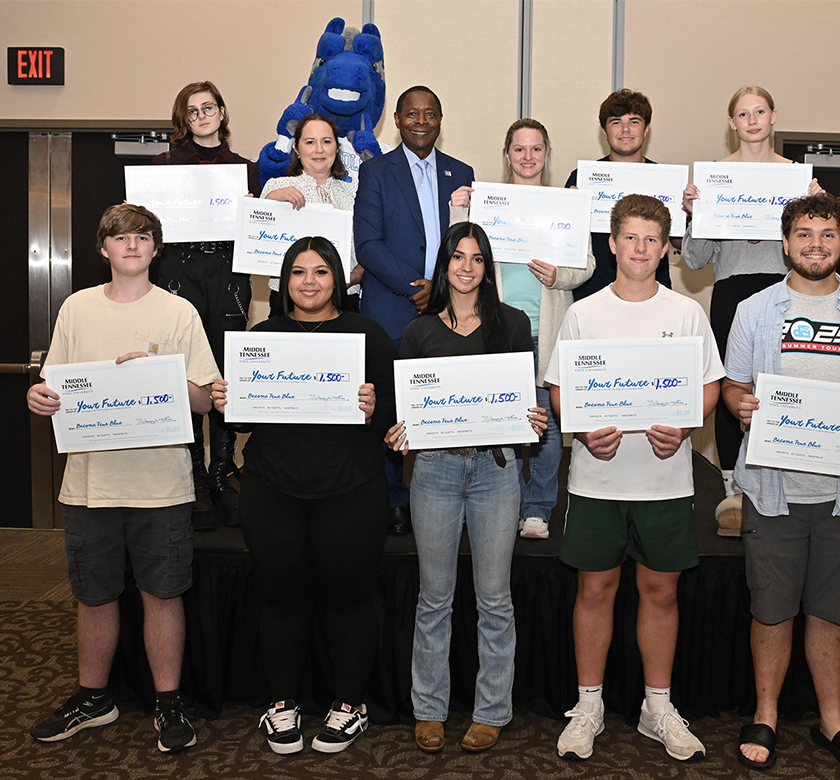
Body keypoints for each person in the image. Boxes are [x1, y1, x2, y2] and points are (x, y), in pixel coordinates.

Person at [26, 204, 219, 753]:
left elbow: (206, 401)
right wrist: (39, 396)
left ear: (156, 249)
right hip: (90, 483)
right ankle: (94, 697)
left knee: (163, 594)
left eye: (142, 237)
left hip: (160, 483)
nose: (131, 245)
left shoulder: (179, 312)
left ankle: (169, 702)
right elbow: (52, 386)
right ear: (103, 248)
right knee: (94, 596)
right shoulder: (76, 308)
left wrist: (161, 378)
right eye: (120, 237)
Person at [722, 193, 840, 772]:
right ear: (786, 242)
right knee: (771, 609)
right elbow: (732, 384)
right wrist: (741, 404)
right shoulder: (753, 310)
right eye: (804, 234)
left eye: (826, 235)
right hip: (773, 489)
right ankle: (767, 713)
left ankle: (831, 718)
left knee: (830, 610)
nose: (815, 245)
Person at [547, 194, 724, 763]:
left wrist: (686, 424)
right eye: (631, 238)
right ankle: (589, 705)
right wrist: (580, 427)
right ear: (612, 244)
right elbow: (559, 387)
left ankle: (658, 705)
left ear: (666, 248)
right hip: (597, 481)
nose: (641, 249)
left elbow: (710, 384)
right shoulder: (584, 313)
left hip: (665, 481)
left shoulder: (686, 313)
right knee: (594, 590)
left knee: (661, 591)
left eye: (652, 240)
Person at [210, 237, 396, 755]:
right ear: (283, 281)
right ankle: (283, 702)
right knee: (281, 598)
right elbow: (245, 418)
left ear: (337, 277)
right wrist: (228, 401)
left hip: (352, 490)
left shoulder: (368, 333)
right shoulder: (263, 336)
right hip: (273, 490)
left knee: (349, 598)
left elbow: (397, 416)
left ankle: (349, 704)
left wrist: (375, 404)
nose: (309, 282)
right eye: (297, 272)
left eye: (319, 271)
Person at [385, 222, 548, 754]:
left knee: (494, 598)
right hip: (433, 472)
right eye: (458, 256)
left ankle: (492, 709)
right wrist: (400, 431)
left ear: (487, 267)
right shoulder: (419, 332)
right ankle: (429, 708)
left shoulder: (514, 324)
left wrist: (534, 420)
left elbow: (524, 402)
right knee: (434, 597)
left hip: (496, 474)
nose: (467, 266)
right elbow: (406, 410)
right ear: (444, 263)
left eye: (477, 258)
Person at [680, 86, 824, 534]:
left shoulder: (798, 178)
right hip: (731, 292)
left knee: (783, 383)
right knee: (732, 387)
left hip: (783, 291)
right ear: (732, 123)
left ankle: (787, 477)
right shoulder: (714, 177)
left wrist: (815, 207)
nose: (753, 120)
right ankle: (732, 487)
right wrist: (693, 213)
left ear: (774, 115)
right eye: (743, 113)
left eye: (760, 111)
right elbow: (694, 259)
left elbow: (814, 247)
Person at [448, 118, 596, 539]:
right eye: (519, 149)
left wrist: (558, 276)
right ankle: (506, 501)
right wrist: (460, 208)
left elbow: (586, 265)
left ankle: (537, 508)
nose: (527, 157)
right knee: (502, 418)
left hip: (546, 330)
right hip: (497, 330)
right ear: (506, 154)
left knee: (545, 423)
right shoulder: (487, 203)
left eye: (536, 149)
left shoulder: (565, 204)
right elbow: (456, 257)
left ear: (547, 155)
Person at [355, 85, 475, 536]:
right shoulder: (376, 172)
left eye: (429, 113)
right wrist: (415, 288)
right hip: (391, 307)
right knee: (391, 405)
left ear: (440, 120)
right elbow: (368, 243)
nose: (420, 121)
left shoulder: (461, 172)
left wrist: (442, 289)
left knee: (443, 399)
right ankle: (393, 498)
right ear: (398, 120)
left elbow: (468, 243)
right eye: (411, 114)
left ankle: (449, 496)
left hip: (450, 310)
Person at [152, 81, 261, 529]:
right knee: (184, 369)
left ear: (222, 111)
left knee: (222, 370)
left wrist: (260, 208)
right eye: (192, 111)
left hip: (228, 277)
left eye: (208, 107)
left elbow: (257, 227)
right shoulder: (162, 166)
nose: (201, 116)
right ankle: (194, 472)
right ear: (184, 119)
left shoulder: (245, 170)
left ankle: (221, 469)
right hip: (178, 272)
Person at [564, 89, 673, 300]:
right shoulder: (581, 179)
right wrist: (570, 213)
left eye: (634, 121)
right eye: (615, 122)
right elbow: (566, 242)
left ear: (646, 128)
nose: (625, 129)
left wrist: (689, 211)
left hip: (652, 292)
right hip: (590, 292)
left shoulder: (665, 179)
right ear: (604, 131)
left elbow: (676, 242)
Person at [261, 114, 362, 314]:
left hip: (344, 295)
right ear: (297, 149)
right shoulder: (276, 187)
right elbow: (256, 239)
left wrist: (357, 275)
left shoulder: (357, 192)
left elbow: (371, 242)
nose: (319, 150)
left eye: (326, 141)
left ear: (337, 148)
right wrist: (271, 201)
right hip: (288, 298)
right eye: (310, 142)